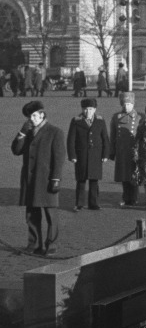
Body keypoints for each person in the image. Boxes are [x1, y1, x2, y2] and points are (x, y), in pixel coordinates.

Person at [12, 100, 66, 255]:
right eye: (29, 117)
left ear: (42, 114)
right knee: (31, 215)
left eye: (35, 115)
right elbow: (16, 151)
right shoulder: (28, 132)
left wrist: (56, 179)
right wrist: (22, 133)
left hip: (47, 180)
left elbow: (59, 158)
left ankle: (51, 245)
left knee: (51, 215)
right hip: (30, 180)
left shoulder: (55, 132)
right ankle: (34, 244)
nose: (32, 119)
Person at [66, 97, 109, 211]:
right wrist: (72, 155)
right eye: (85, 109)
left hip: (96, 155)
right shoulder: (76, 121)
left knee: (94, 180)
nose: (88, 111)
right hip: (81, 155)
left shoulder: (100, 120)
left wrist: (105, 154)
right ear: (82, 109)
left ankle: (93, 203)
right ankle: (79, 203)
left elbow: (105, 138)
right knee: (81, 180)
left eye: (90, 109)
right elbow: (71, 139)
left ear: (95, 109)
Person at [109, 91, 143, 208]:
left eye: (129, 104)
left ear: (133, 104)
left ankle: (134, 198)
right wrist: (112, 151)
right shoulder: (116, 117)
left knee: (134, 174)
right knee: (123, 174)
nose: (126, 106)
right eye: (124, 104)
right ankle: (125, 197)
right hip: (121, 151)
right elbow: (113, 135)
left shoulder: (140, 116)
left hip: (134, 150)